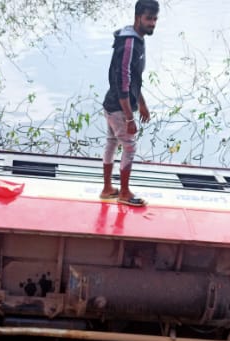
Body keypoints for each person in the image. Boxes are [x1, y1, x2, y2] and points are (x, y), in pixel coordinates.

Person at [100, 0, 159, 208]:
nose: (152, 23)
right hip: (118, 106)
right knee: (130, 147)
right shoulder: (130, 43)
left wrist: (141, 103)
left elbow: (134, 79)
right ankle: (123, 192)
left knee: (111, 142)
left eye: (154, 19)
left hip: (113, 103)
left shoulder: (134, 40)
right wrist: (129, 117)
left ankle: (107, 189)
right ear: (137, 18)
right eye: (148, 18)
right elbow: (123, 81)